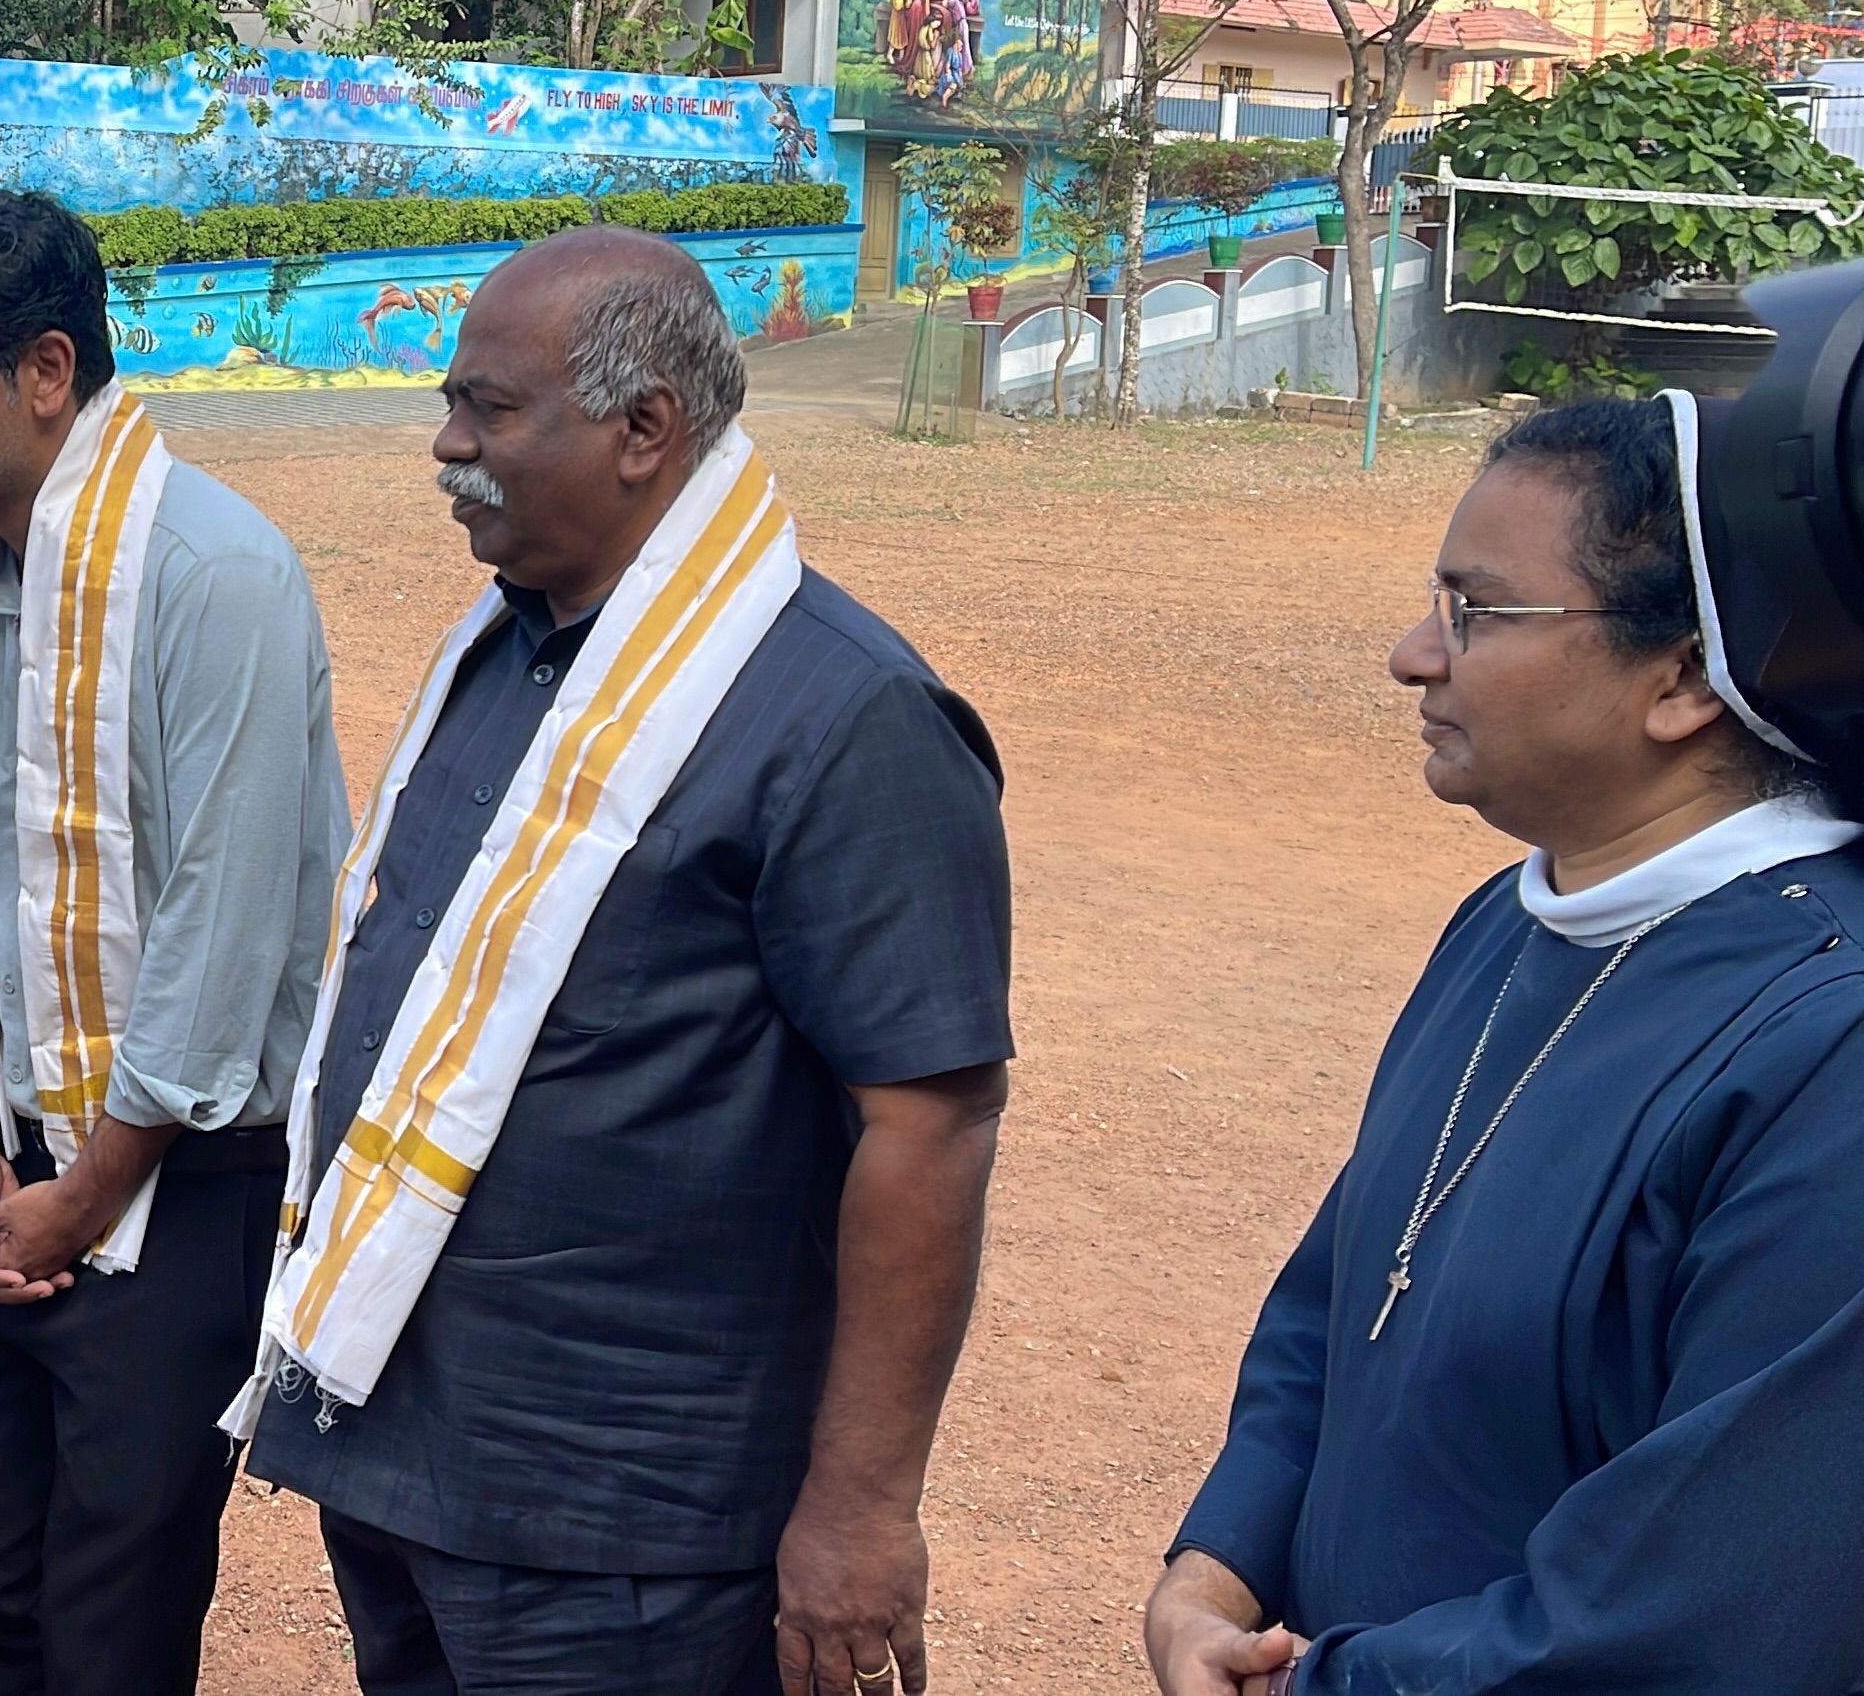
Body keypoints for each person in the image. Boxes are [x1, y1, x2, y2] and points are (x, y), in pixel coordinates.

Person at [234, 224, 1013, 1696]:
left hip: (622, 1522)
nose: (448, 447)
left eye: (488, 409)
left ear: (644, 427)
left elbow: (932, 1121)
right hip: (406, 1454)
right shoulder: (509, 652)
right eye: (450, 407)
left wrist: (860, 1508)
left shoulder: (846, 719)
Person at [1149, 390, 1864, 1695]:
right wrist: (1216, 1569)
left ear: (1684, 676)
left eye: (1476, 612)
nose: (1412, 656)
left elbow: (1708, 1605)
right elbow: (1341, 1294)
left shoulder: (1828, 1044)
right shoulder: (1512, 918)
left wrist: (1320, 1684)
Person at [0, 190, 351, 1696]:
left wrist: (90, 1196)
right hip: (15, 1171)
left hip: (184, 1175)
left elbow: (224, 920)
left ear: (47, 370)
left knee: (110, 1630)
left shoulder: (214, 574)